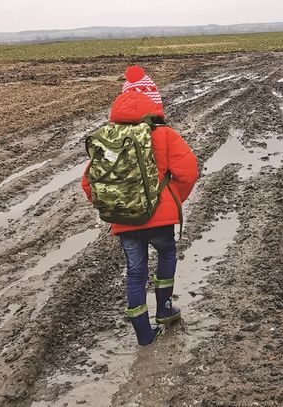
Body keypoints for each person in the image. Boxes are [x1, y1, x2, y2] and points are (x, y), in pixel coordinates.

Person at [82, 66, 199, 346]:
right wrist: (171, 202)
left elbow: (89, 184)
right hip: (160, 221)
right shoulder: (165, 135)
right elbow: (189, 172)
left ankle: (144, 336)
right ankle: (165, 310)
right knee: (167, 256)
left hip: (125, 223)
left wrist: (115, 205)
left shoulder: (108, 140)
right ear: (154, 104)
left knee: (135, 273)